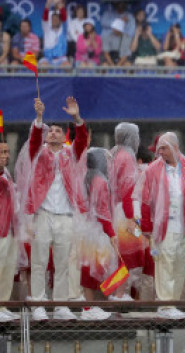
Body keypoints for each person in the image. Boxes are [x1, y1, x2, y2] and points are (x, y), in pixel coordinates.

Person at [18, 97, 88, 321]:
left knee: (63, 262)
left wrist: (77, 118)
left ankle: (60, 305)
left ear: (64, 135)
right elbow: (34, 139)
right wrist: (39, 118)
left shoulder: (71, 153)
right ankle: (38, 303)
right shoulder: (38, 153)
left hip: (66, 215)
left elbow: (82, 140)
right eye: (52, 131)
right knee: (38, 261)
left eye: (59, 131)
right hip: (43, 214)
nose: (55, 133)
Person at [138, 132, 185, 319]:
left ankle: (173, 303)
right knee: (165, 264)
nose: (160, 152)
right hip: (163, 226)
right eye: (159, 148)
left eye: (164, 148)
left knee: (180, 264)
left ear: (175, 148)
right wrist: (146, 227)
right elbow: (144, 200)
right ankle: (164, 304)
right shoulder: (153, 170)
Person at [78, 148, 117, 321]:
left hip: (84, 229)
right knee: (98, 269)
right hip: (97, 231)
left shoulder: (84, 178)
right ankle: (92, 307)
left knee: (87, 269)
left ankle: (88, 305)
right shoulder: (100, 180)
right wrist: (111, 232)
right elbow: (102, 210)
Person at [107, 122, 143, 301]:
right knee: (125, 253)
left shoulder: (114, 153)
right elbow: (128, 190)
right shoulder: (127, 157)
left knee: (117, 252)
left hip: (115, 209)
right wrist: (131, 218)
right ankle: (120, 293)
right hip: (124, 212)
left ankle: (114, 292)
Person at [0, 139, 18, 321]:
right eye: (1, 152)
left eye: (6, 152)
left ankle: (3, 304)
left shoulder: (6, 172)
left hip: (10, 227)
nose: (5, 156)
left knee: (7, 267)